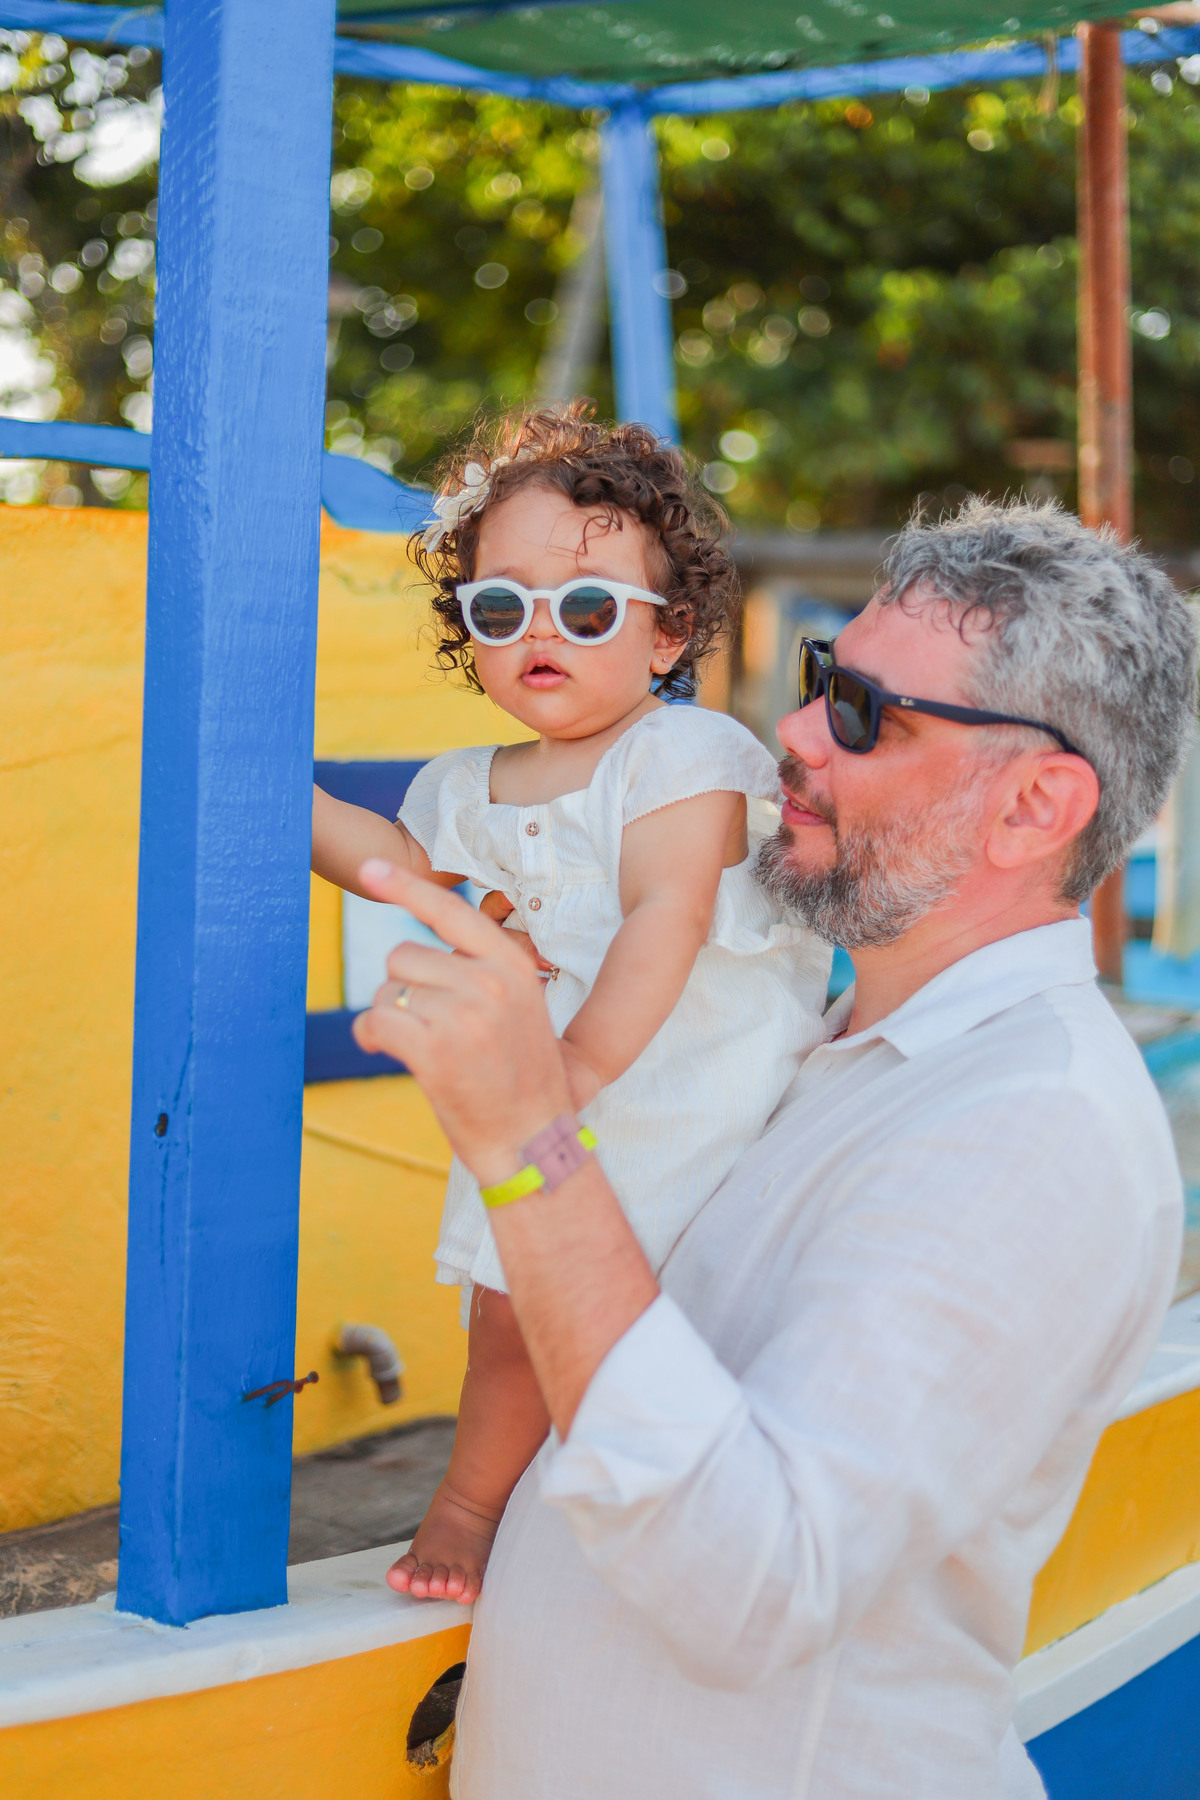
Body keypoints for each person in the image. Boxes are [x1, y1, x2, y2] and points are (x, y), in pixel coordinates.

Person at [354, 497, 1197, 1800]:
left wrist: (528, 1133)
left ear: (1034, 807)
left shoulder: (1035, 1127)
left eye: (865, 716)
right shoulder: (811, 1035)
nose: (793, 735)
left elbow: (755, 1584)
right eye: (821, 683)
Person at [312, 404, 830, 1601]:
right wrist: (269, 793)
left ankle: (529, 1503)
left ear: (670, 636)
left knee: (634, 1314)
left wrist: (576, 1072)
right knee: (514, 1312)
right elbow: (394, 860)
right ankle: (496, 1500)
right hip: (555, 1106)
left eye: (588, 608)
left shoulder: (684, 758)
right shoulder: (465, 786)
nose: (541, 632)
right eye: (503, 609)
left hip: (675, 1099)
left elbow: (667, 917)